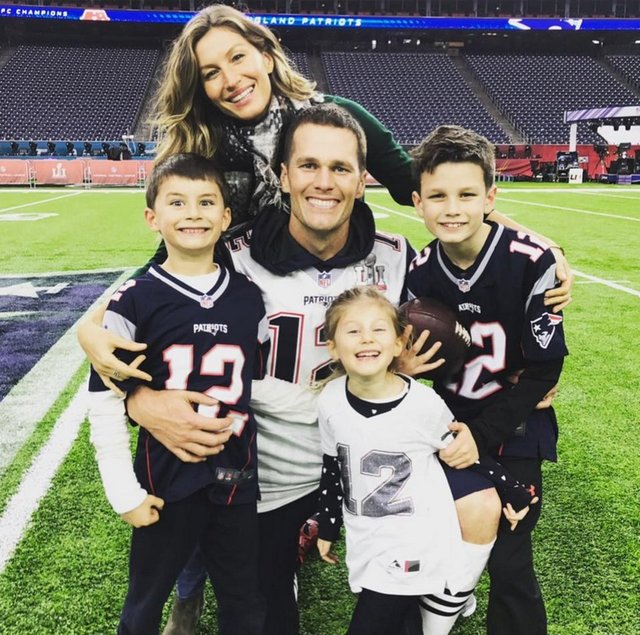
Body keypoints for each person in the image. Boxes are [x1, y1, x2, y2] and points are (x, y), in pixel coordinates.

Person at [79, 4, 574, 395]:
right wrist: (93, 324)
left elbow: (425, 191)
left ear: (265, 55)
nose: (229, 79)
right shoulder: (204, 151)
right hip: (253, 290)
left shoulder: (338, 118)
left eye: (237, 57)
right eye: (210, 73)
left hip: (343, 272)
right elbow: (173, 258)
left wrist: (538, 247)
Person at [87, 153, 268, 635]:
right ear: (153, 218)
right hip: (164, 479)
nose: (193, 213)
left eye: (206, 202)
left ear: (225, 217)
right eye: (177, 202)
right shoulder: (134, 299)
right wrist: (122, 492)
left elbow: (259, 382)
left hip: (237, 474)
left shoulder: (248, 297)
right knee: (144, 603)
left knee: (244, 600)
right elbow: (103, 400)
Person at [406, 125, 568, 635]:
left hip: (515, 427)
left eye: (466, 195)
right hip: (451, 425)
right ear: (418, 202)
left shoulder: (532, 261)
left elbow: (544, 370)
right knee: (436, 532)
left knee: (510, 558)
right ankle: (449, 596)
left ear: (490, 198)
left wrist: (481, 434)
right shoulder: (419, 272)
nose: (452, 208)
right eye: (438, 196)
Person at [314, 287, 537, 635]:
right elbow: (333, 467)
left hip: (410, 543)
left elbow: (463, 453)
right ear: (332, 346)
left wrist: (514, 490)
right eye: (353, 330)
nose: (366, 338)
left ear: (399, 344)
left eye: (378, 329)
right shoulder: (330, 399)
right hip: (367, 538)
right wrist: (328, 525)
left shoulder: (423, 404)